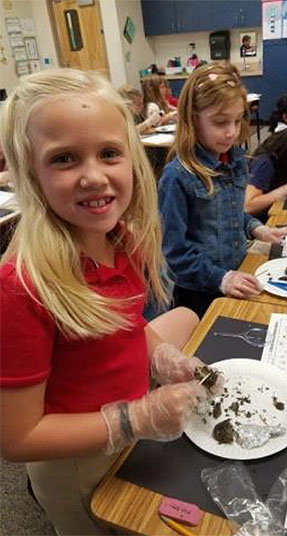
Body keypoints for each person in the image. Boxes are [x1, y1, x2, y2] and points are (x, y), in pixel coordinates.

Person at [0, 69, 218, 535]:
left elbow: (128, 326)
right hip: (74, 465)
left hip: (127, 434)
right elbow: (17, 438)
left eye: (109, 153)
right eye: (63, 159)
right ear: (29, 171)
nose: (94, 177)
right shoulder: (21, 286)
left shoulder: (120, 238)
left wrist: (162, 356)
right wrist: (135, 417)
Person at [158, 62, 287, 318]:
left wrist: (259, 229)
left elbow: (229, 213)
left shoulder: (234, 160)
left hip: (237, 273)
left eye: (237, 120)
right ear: (192, 119)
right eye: (221, 122)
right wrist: (221, 279)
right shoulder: (177, 177)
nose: (232, 132)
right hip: (199, 291)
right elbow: (175, 253)